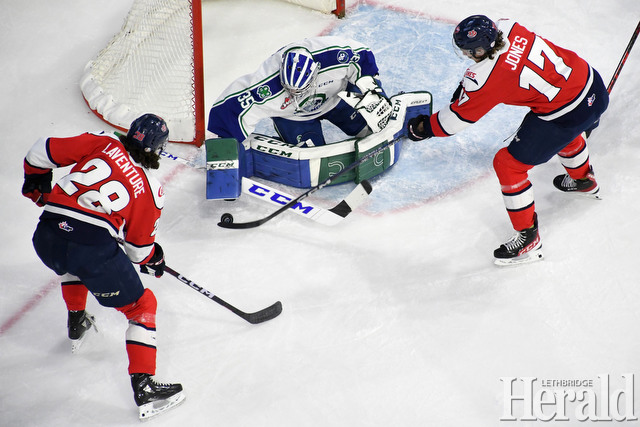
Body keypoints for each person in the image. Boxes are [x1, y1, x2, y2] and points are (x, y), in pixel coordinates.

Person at [406, 15, 609, 266]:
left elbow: (454, 122)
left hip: (568, 112)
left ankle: (528, 241)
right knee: (563, 130)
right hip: (592, 85)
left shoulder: (485, 79)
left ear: (480, 49)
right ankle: (583, 180)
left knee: (508, 164)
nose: (468, 55)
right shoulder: (510, 25)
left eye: (470, 51)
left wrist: (424, 128)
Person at [21, 114, 185, 420]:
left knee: (71, 262)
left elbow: (40, 151)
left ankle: (76, 321)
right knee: (142, 306)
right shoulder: (151, 189)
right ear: (158, 149)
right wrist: (155, 258)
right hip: (90, 249)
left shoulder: (104, 141)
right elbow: (139, 252)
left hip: (46, 237)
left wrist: (35, 181)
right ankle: (145, 386)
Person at [207, 35, 392, 147]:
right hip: (294, 116)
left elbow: (361, 57)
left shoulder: (333, 55)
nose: (297, 95)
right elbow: (231, 108)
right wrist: (225, 152)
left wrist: (373, 90)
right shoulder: (265, 85)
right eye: (291, 90)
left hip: (335, 99)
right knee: (313, 159)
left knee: (373, 129)